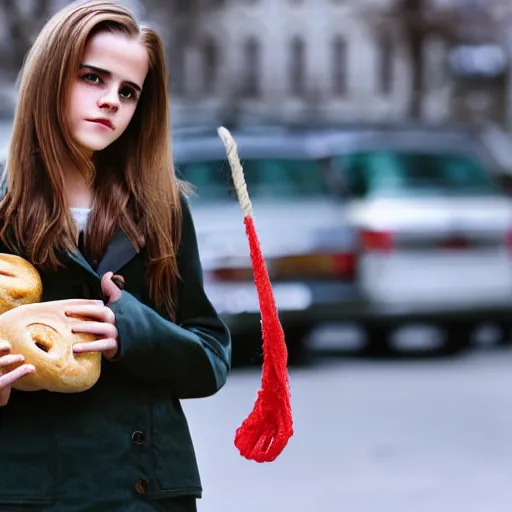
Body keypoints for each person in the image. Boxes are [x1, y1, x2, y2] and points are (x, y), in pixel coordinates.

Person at [0, 1, 231, 510]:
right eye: (92, 78)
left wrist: (131, 330)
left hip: (146, 491)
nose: (111, 102)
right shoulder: (3, 209)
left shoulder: (163, 210)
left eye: (128, 91)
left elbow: (211, 358)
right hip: (33, 493)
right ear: (49, 78)